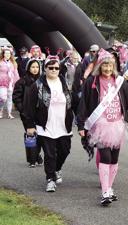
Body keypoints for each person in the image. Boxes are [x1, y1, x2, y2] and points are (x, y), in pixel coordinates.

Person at [77, 49, 128, 206]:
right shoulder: (91, 82)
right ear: (99, 66)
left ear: (113, 66)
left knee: (114, 158)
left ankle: (109, 188)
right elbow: (83, 104)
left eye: (109, 66)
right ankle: (105, 191)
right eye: (104, 66)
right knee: (105, 157)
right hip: (100, 126)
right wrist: (81, 124)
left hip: (117, 125)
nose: (107, 69)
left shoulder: (120, 82)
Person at [24, 55, 78, 192]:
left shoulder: (65, 83)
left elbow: (75, 103)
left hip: (63, 125)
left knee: (65, 151)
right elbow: (28, 107)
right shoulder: (37, 85)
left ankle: (57, 169)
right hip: (45, 126)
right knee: (49, 154)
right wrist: (30, 125)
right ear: (45, 69)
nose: (54, 70)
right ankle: (50, 179)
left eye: (56, 68)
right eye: (51, 67)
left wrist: (81, 122)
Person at [12, 59, 44, 167]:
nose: (35, 69)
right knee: (30, 135)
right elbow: (16, 97)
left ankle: (37, 155)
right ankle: (32, 160)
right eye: (33, 67)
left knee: (40, 136)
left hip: (40, 113)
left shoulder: (42, 81)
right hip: (27, 113)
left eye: (37, 67)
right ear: (28, 68)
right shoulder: (22, 81)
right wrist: (22, 109)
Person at [0, 47, 19, 119]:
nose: (7, 55)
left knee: (10, 98)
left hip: (11, 83)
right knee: (3, 98)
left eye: (9, 53)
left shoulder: (13, 63)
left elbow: (16, 73)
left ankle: (9, 113)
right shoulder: (0, 62)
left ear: (11, 55)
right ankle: (0, 110)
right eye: (6, 53)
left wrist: (17, 82)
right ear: (3, 54)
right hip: (2, 82)